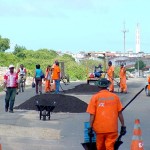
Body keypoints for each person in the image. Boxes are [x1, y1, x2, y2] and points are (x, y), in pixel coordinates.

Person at [86, 78, 126, 150]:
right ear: (107, 86)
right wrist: (123, 126)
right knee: (110, 146)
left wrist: (90, 127)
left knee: (100, 147)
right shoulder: (115, 97)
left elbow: (92, 115)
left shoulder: (95, 98)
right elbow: (120, 113)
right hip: (112, 128)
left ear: (99, 86)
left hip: (99, 129)